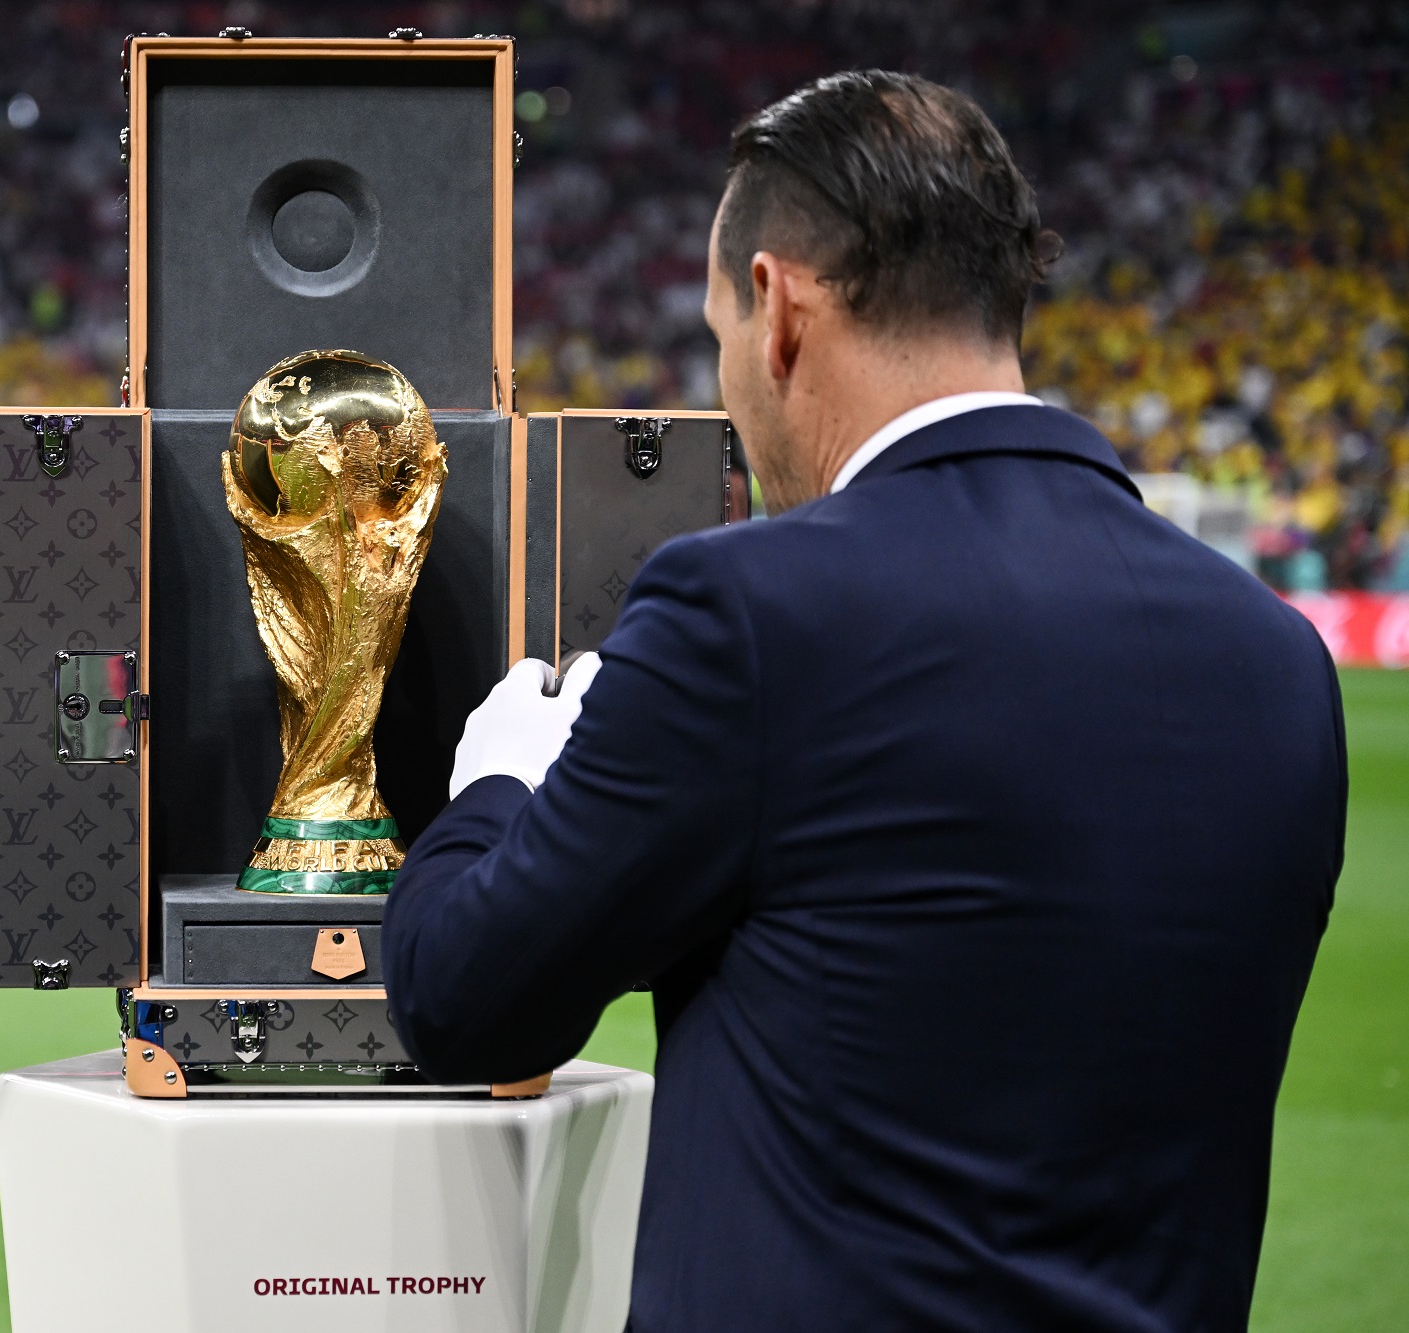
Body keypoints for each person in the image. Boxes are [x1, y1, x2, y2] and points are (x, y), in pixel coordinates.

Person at [383, 70, 1345, 1331]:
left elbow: (467, 1001)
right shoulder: (1275, 661)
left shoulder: (755, 614)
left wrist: (501, 780)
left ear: (777, 308)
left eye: (722, 337)